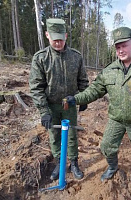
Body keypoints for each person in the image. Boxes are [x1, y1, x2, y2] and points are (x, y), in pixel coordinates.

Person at [65, 27, 131, 196]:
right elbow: (94, 90)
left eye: (124, 46)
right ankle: (113, 166)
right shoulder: (109, 70)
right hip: (117, 118)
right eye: (117, 47)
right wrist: (76, 99)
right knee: (106, 146)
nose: (120, 50)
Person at [29, 18, 89, 181]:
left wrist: (83, 99)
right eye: (54, 39)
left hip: (69, 105)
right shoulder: (41, 58)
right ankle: (59, 162)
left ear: (66, 36)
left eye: (61, 39)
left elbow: (83, 80)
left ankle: (74, 163)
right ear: (47, 35)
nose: (58, 42)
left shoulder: (76, 57)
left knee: (71, 135)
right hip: (51, 106)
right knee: (54, 135)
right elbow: (36, 87)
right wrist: (43, 111)